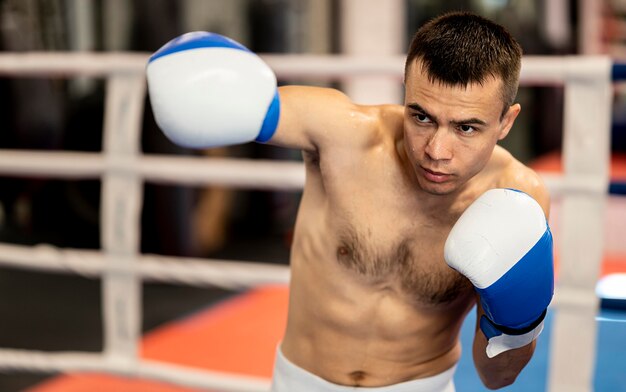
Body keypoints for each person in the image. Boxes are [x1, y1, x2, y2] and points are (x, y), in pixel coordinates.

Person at [146, 11, 554, 392]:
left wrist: (518, 325)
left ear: (506, 122)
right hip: (303, 382)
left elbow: (496, 376)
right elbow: (256, 104)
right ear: (405, 93)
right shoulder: (343, 134)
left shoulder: (517, 198)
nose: (436, 150)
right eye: (422, 116)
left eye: (466, 128)